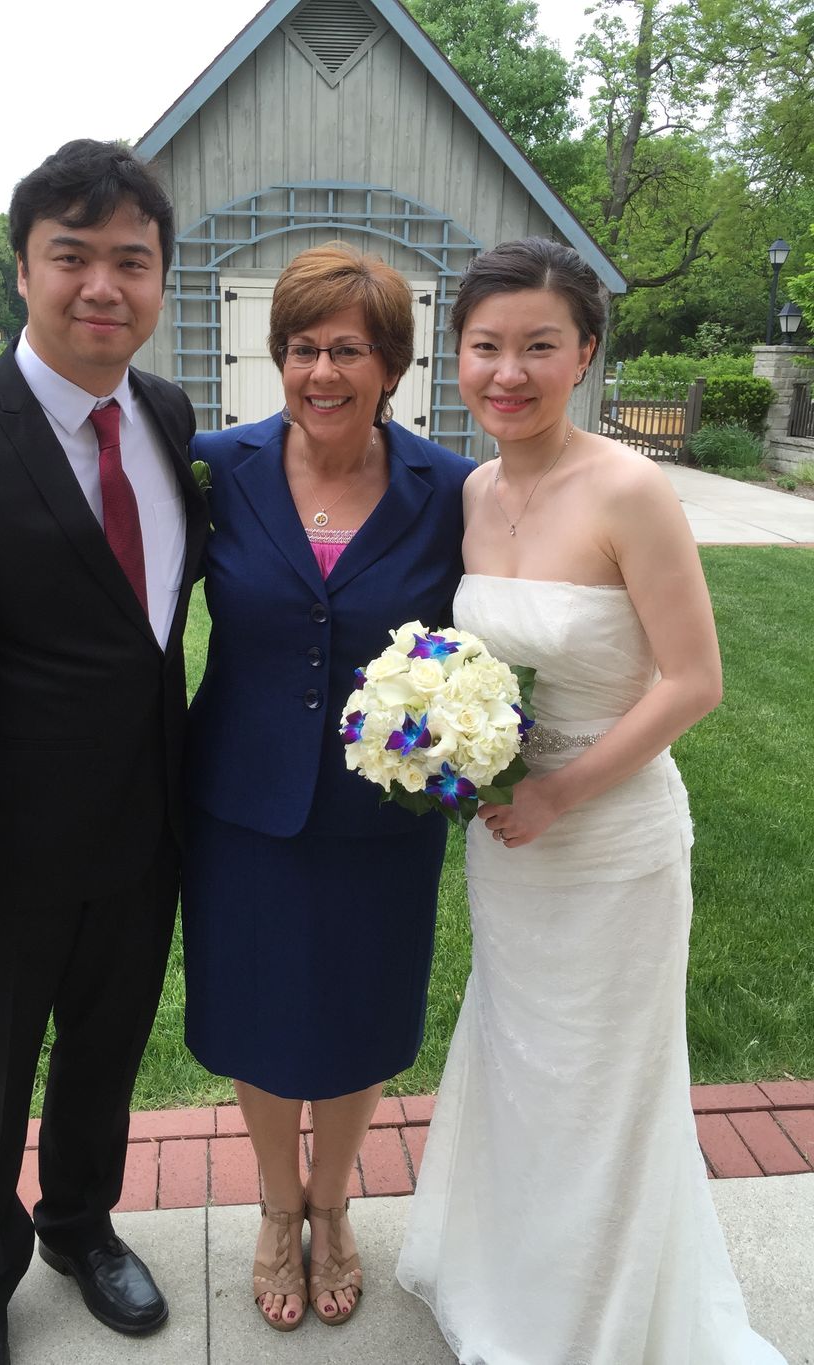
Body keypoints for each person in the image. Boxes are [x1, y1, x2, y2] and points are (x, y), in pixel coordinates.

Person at [396, 237, 785, 1363]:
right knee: (521, 1068)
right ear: (455, 358)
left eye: (538, 346)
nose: (506, 371)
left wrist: (561, 792)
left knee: (600, 1085)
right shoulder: (471, 490)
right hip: (507, 842)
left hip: (609, 839)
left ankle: (590, 1326)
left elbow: (694, 681)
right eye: (484, 347)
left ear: (586, 356)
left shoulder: (629, 488)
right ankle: (509, 1286)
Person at [0, 140, 208, 1365]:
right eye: (73, 256)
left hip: (144, 836)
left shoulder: (168, 421)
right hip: (1, 866)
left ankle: (80, 1226)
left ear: (161, 279)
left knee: (104, 1062)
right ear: (22, 271)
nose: (102, 285)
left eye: (132, 260)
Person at [180, 242, 470, 1331]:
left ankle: (334, 1206)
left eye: (345, 348)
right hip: (240, 800)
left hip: (384, 813)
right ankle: (271, 1205)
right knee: (257, 1011)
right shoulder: (215, 466)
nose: (319, 373)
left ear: (390, 364)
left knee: (358, 1009)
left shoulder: (449, 489)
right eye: (300, 348)